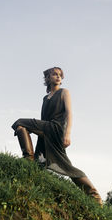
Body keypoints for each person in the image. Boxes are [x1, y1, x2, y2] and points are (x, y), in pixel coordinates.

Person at [12, 67, 102, 205]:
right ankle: (94, 197)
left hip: (56, 129)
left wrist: (67, 134)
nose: (58, 77)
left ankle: (27, 158)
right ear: (48, 78)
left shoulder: (64, 92)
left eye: (60, 75)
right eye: (54, 74)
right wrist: (36, 131)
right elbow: (43, 118)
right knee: (55, 164)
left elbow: (69, 113)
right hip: (46, 130)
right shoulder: (45, 98)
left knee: (20, 122)